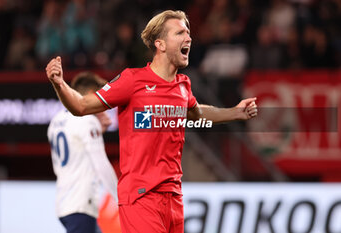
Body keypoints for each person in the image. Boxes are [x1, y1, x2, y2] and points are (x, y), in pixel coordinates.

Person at [46, 10, 257, 233]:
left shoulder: (183, 85)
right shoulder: (132, 80)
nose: (189, 38)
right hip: (141, 197)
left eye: (188, 33)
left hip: (174, 198)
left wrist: (235, 112)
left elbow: (197, 114)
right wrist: (59, 84)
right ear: (161, 44)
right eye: (180, 33)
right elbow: (81, 106)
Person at [47, 72, 119, 233]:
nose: (102, 104)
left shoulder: (56, 120)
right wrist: (121, 201)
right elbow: (101, 164)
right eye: (99, 98)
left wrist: (98, 131)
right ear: (89, 95)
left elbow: (75, 150)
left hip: (64, 202)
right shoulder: (87, 121)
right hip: (81, 204)